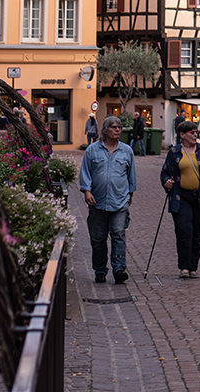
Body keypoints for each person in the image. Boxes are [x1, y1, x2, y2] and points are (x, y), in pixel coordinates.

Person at [78, 115, 136, 284]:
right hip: (97, 201)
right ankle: (100, 270)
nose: (118, 130)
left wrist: (130, 195)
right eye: (114, 127)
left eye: (119, 128)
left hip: (120, 201)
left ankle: (119, 269)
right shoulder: (92, 150)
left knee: (118, 235)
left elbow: (131, 176)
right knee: (98, 238)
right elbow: (85, 172)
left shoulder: (127, 151)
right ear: (105, 130)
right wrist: (87, 191)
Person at [159, 120, 200, 277]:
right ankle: (184, 267)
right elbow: (164, 172)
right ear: (182, 135)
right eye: (192, 132)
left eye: (196, 132)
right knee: (184, 231)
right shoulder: (174, 152)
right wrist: (167, 182)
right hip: (181, 197)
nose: (195, 135)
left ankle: (193, 267)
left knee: (198, 234)